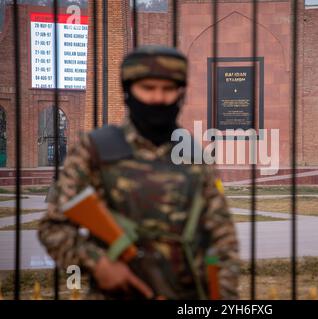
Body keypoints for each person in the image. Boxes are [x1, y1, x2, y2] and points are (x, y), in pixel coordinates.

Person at [38, 45, 240, 300]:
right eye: (148, 88)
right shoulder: (96, 150)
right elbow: (53, 228)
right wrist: (98, 264)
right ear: (128, 92)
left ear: (180, 94)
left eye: (168, 89)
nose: (158, 98)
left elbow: (222, 240)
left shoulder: (193, 155)